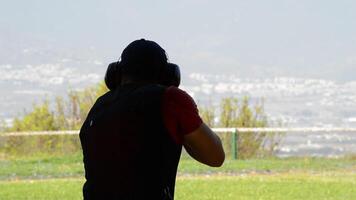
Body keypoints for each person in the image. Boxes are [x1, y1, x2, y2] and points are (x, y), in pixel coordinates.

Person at [79, 39, 225, 200]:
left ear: (116, 73)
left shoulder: (100, 105)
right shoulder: (170, 99)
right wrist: (181, 129)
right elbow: (215, 157)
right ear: (169, 75)